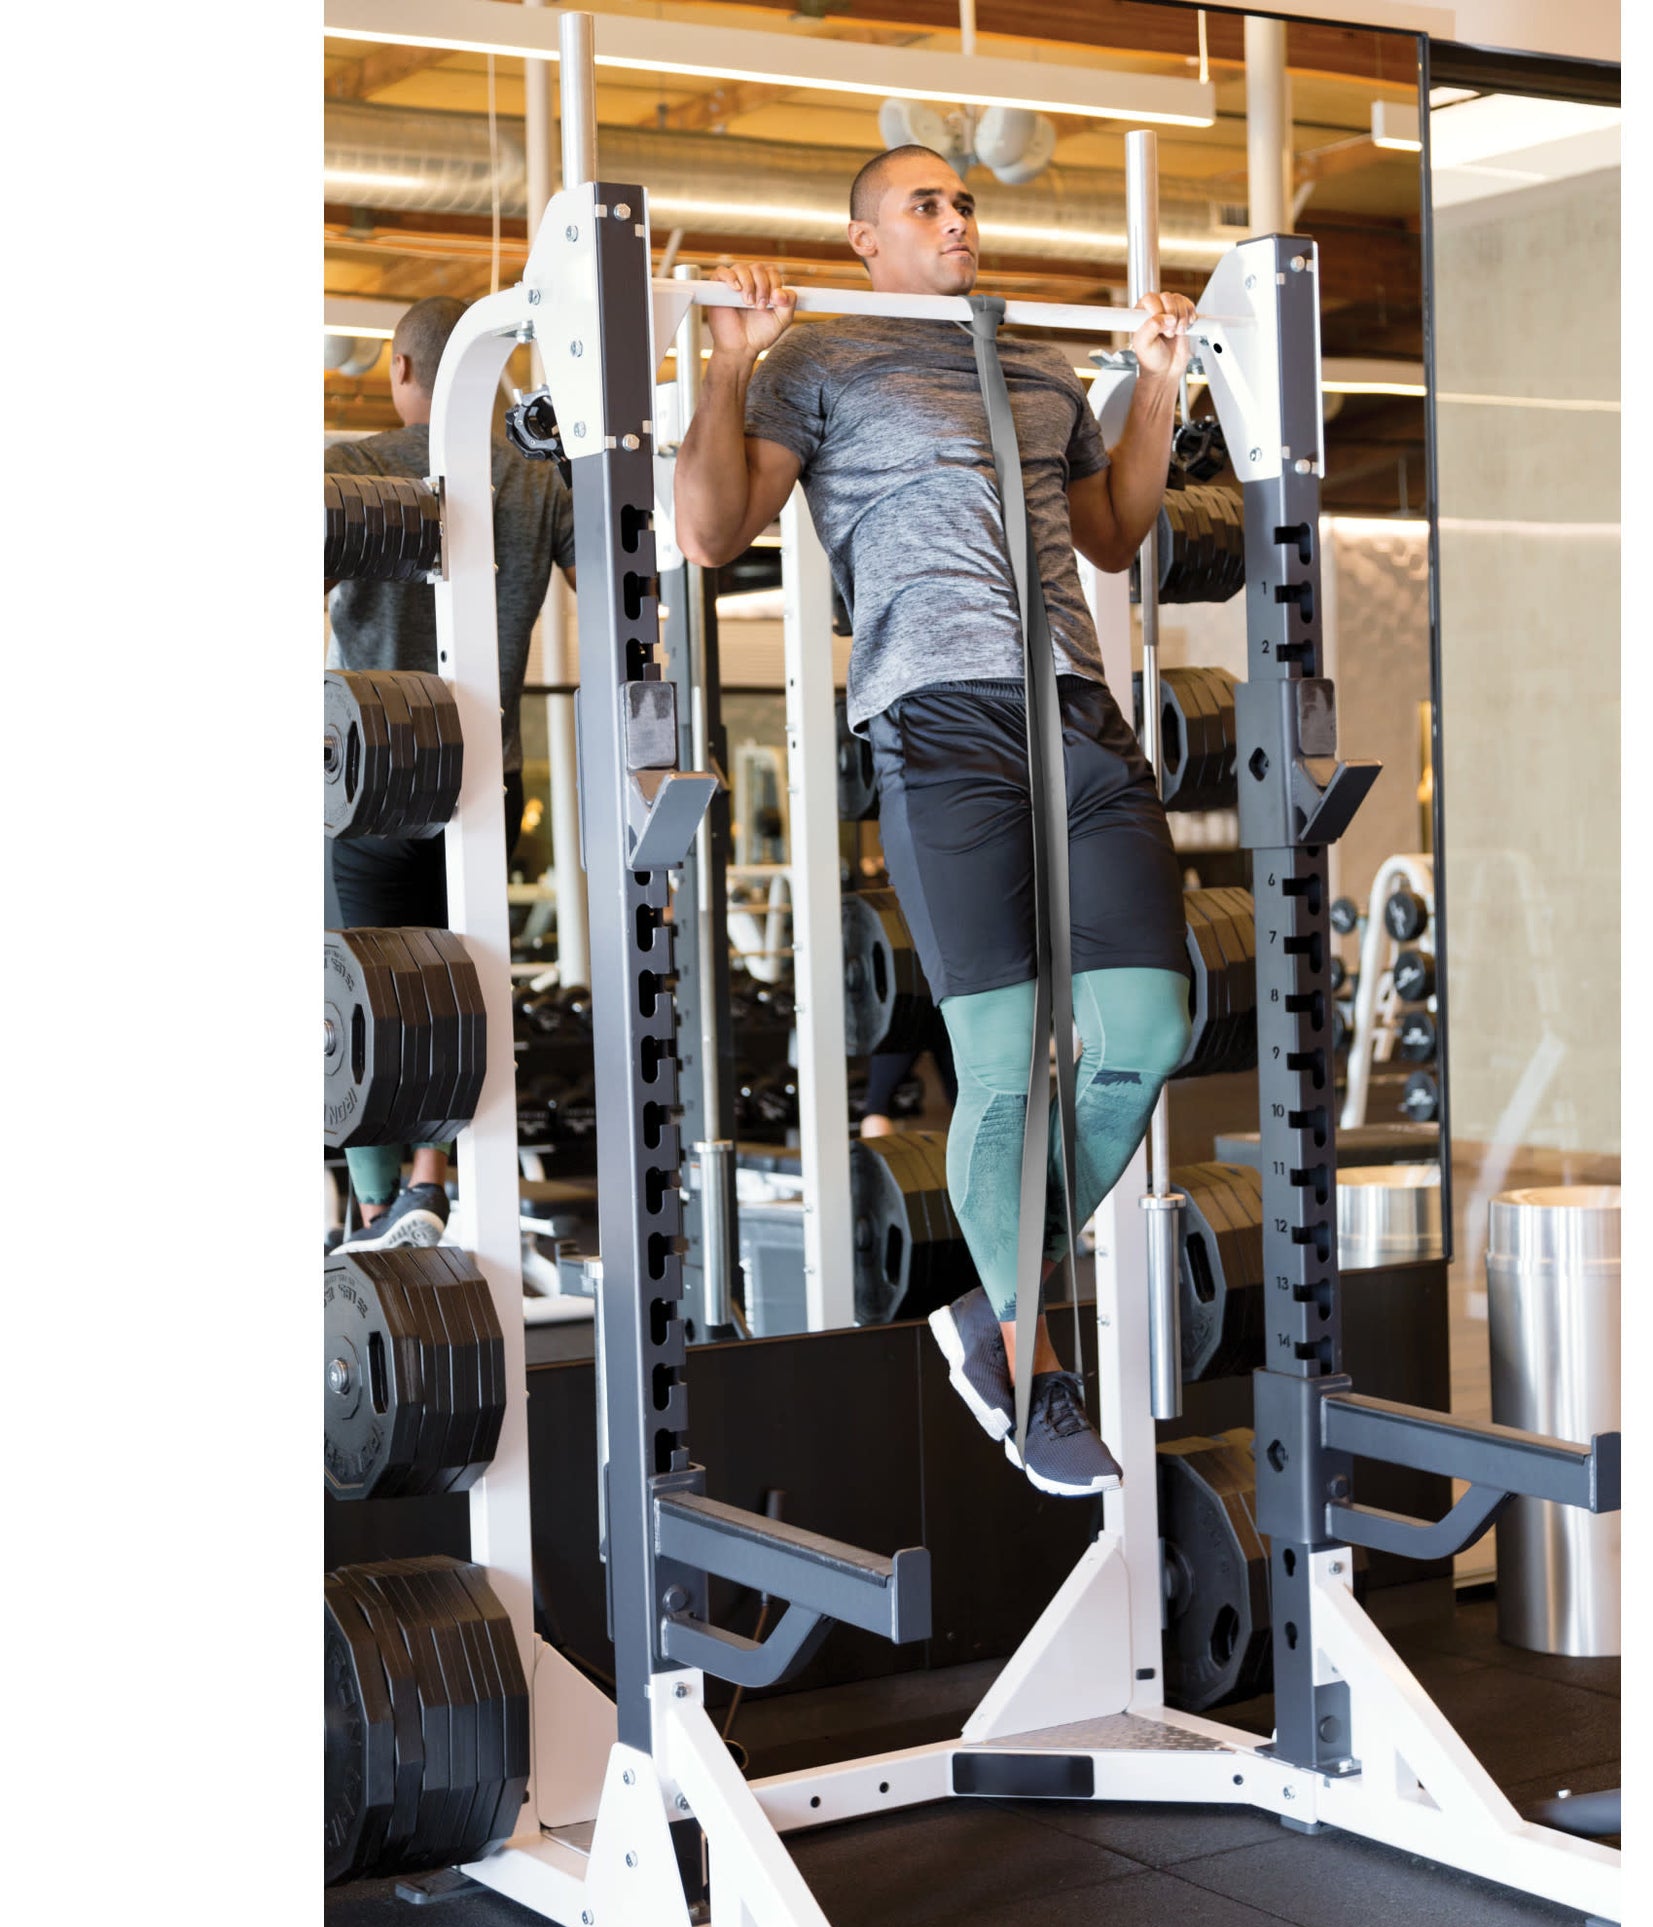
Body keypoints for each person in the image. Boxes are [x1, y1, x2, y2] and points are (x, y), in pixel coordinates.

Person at [675, 146, 1195, 1495]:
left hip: (1078, 714)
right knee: (1008, 1067)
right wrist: (730, 362)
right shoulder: (826, 359)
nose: (959, 221)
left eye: (966, 203)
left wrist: (1157, 380)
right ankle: (1025, 1350)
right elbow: (712, 529)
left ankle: (981, 1308)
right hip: (937, 722)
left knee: (1147, 1027)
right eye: (928, 205)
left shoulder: (1039, 369)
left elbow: (1116, 530)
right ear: (864, 238)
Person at [327, 294, 576, 1249]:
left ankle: (379, 1201)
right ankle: (431, 1182)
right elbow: (617, 580)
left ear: (401, 370)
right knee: (452, 978)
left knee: (360, 982)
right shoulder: (530, 477)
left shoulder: (350, 466)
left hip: (368, 774)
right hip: (478, 774)